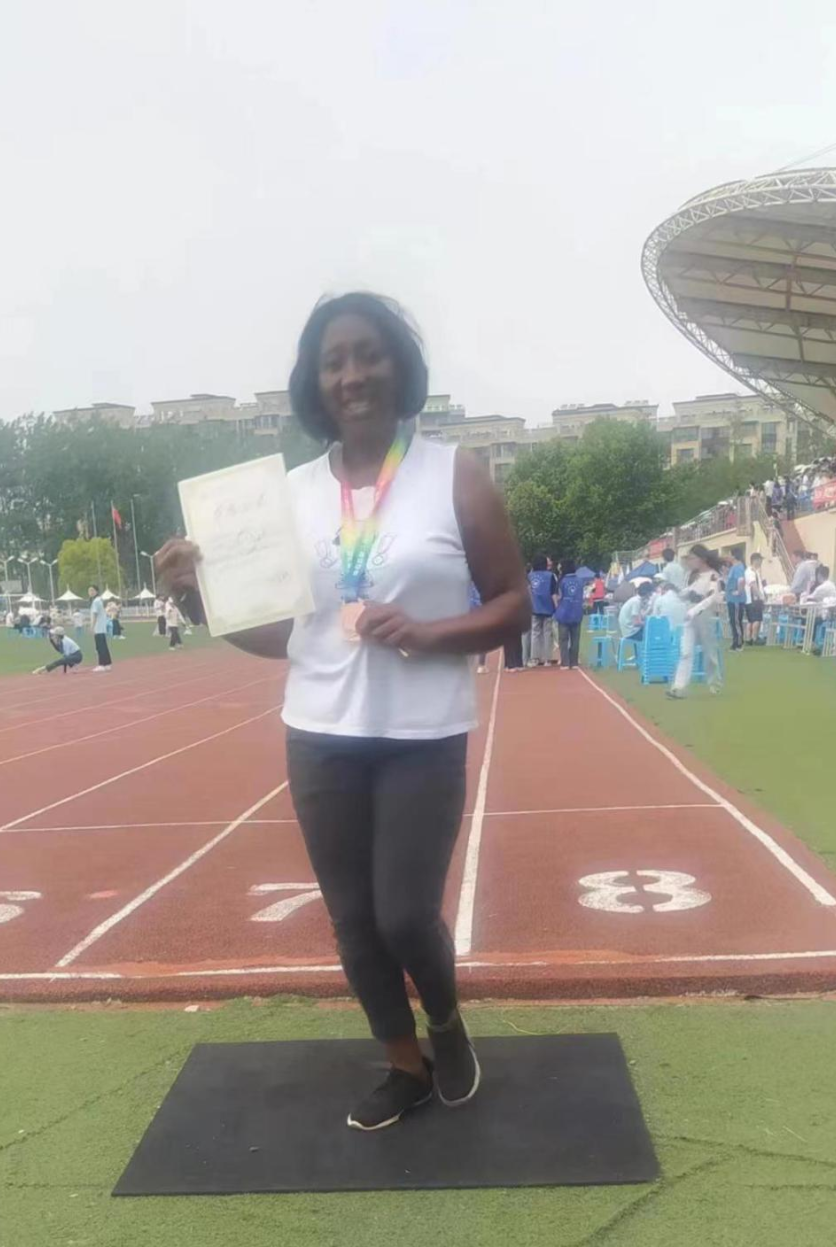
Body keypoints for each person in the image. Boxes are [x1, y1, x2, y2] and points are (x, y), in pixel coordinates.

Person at [155, 291, 529, 1131]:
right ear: (314, 382)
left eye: (368, 354)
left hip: (422, 735)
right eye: (333, 362)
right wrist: (193, 599)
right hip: (320, 734)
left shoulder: (455, 476)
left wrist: (430, 633)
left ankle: (446, 1023)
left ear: (399, 366)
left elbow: (514, 604)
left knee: (405, 914)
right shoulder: (285, 497)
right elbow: (284, 636)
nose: (352, 374)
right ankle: (403, 1064)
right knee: (354, 923)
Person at [667, 544, 725, 699]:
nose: (690, 561)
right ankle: (678, 687)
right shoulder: (695, 576)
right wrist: (673, 588)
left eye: (692, 558)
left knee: (710, 653)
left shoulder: (713, 576)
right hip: (690, 617)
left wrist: (694, 611)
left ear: (702, 559)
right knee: (685, 652)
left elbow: (711, 598)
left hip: (705, 617)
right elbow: (685, 593)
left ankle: (715, 684)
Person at [527, 554, 558, 667]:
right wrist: (557, 607)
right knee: (547, 634)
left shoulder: (530, 576)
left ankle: (534, 658)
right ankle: (548, 659)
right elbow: (553, 593)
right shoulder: (550, 576)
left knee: (535, 633)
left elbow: (528, 592)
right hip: (548, 608)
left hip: (534, 608)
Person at [554, 558, 584, 670]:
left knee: (563, 639)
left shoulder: (561, 581)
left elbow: (558, 596)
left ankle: (565, 663)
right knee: (575, 639)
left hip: (564, 613)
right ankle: (574, 662)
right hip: (577, 612)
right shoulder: (580, 581)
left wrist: (557, 606)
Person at [87, 584, 112, 672]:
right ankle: (107, 663)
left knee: (100, 646)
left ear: (96, 591)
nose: (90, 592)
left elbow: (95, 614)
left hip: (98, 627)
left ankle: (101, 664)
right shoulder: (99, 600)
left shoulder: (96, 601)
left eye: (92, 590)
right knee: (103, 645)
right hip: (101, 627)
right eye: (89, 590)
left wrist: (92, 627)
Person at [725, 553, 747, 651]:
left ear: (734, 556)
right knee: (733, 621)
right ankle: (735, 642)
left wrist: (739, 591)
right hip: (731, 598)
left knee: (736, 621)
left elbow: (741, 580)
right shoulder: (733, 568)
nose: (728, 556)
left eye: (730, 554)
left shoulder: (738, 567)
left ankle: (738, 643)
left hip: (736, 600)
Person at [744, 552, 767, 645]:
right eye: (760, 560)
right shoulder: (750, 572)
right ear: (755, 560)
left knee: (751, 620)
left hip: (751, 600)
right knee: (757, 619)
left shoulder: (754, 571)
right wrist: (760, 596)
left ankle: (749, 638)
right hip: (754, 599)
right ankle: (754, 638)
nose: (761, 562)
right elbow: (753, 585)